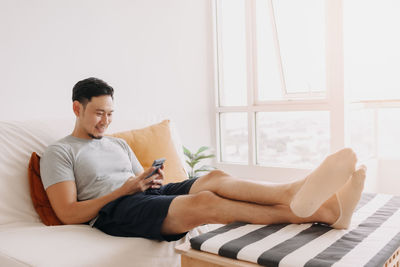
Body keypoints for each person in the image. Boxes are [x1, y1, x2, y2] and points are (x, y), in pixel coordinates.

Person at [40, 77, 367, 242]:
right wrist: (125, 190)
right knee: (204, 203)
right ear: (76, 108)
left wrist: (149, 179)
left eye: (110, 114)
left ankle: (300, 197)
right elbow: (68, 213)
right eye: (98, 113)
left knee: (213, 178)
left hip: (142, 195)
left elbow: (138, 182)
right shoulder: (60, 152)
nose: (105, 121)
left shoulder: (116, 143)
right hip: (113, 211)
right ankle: (308, 204)